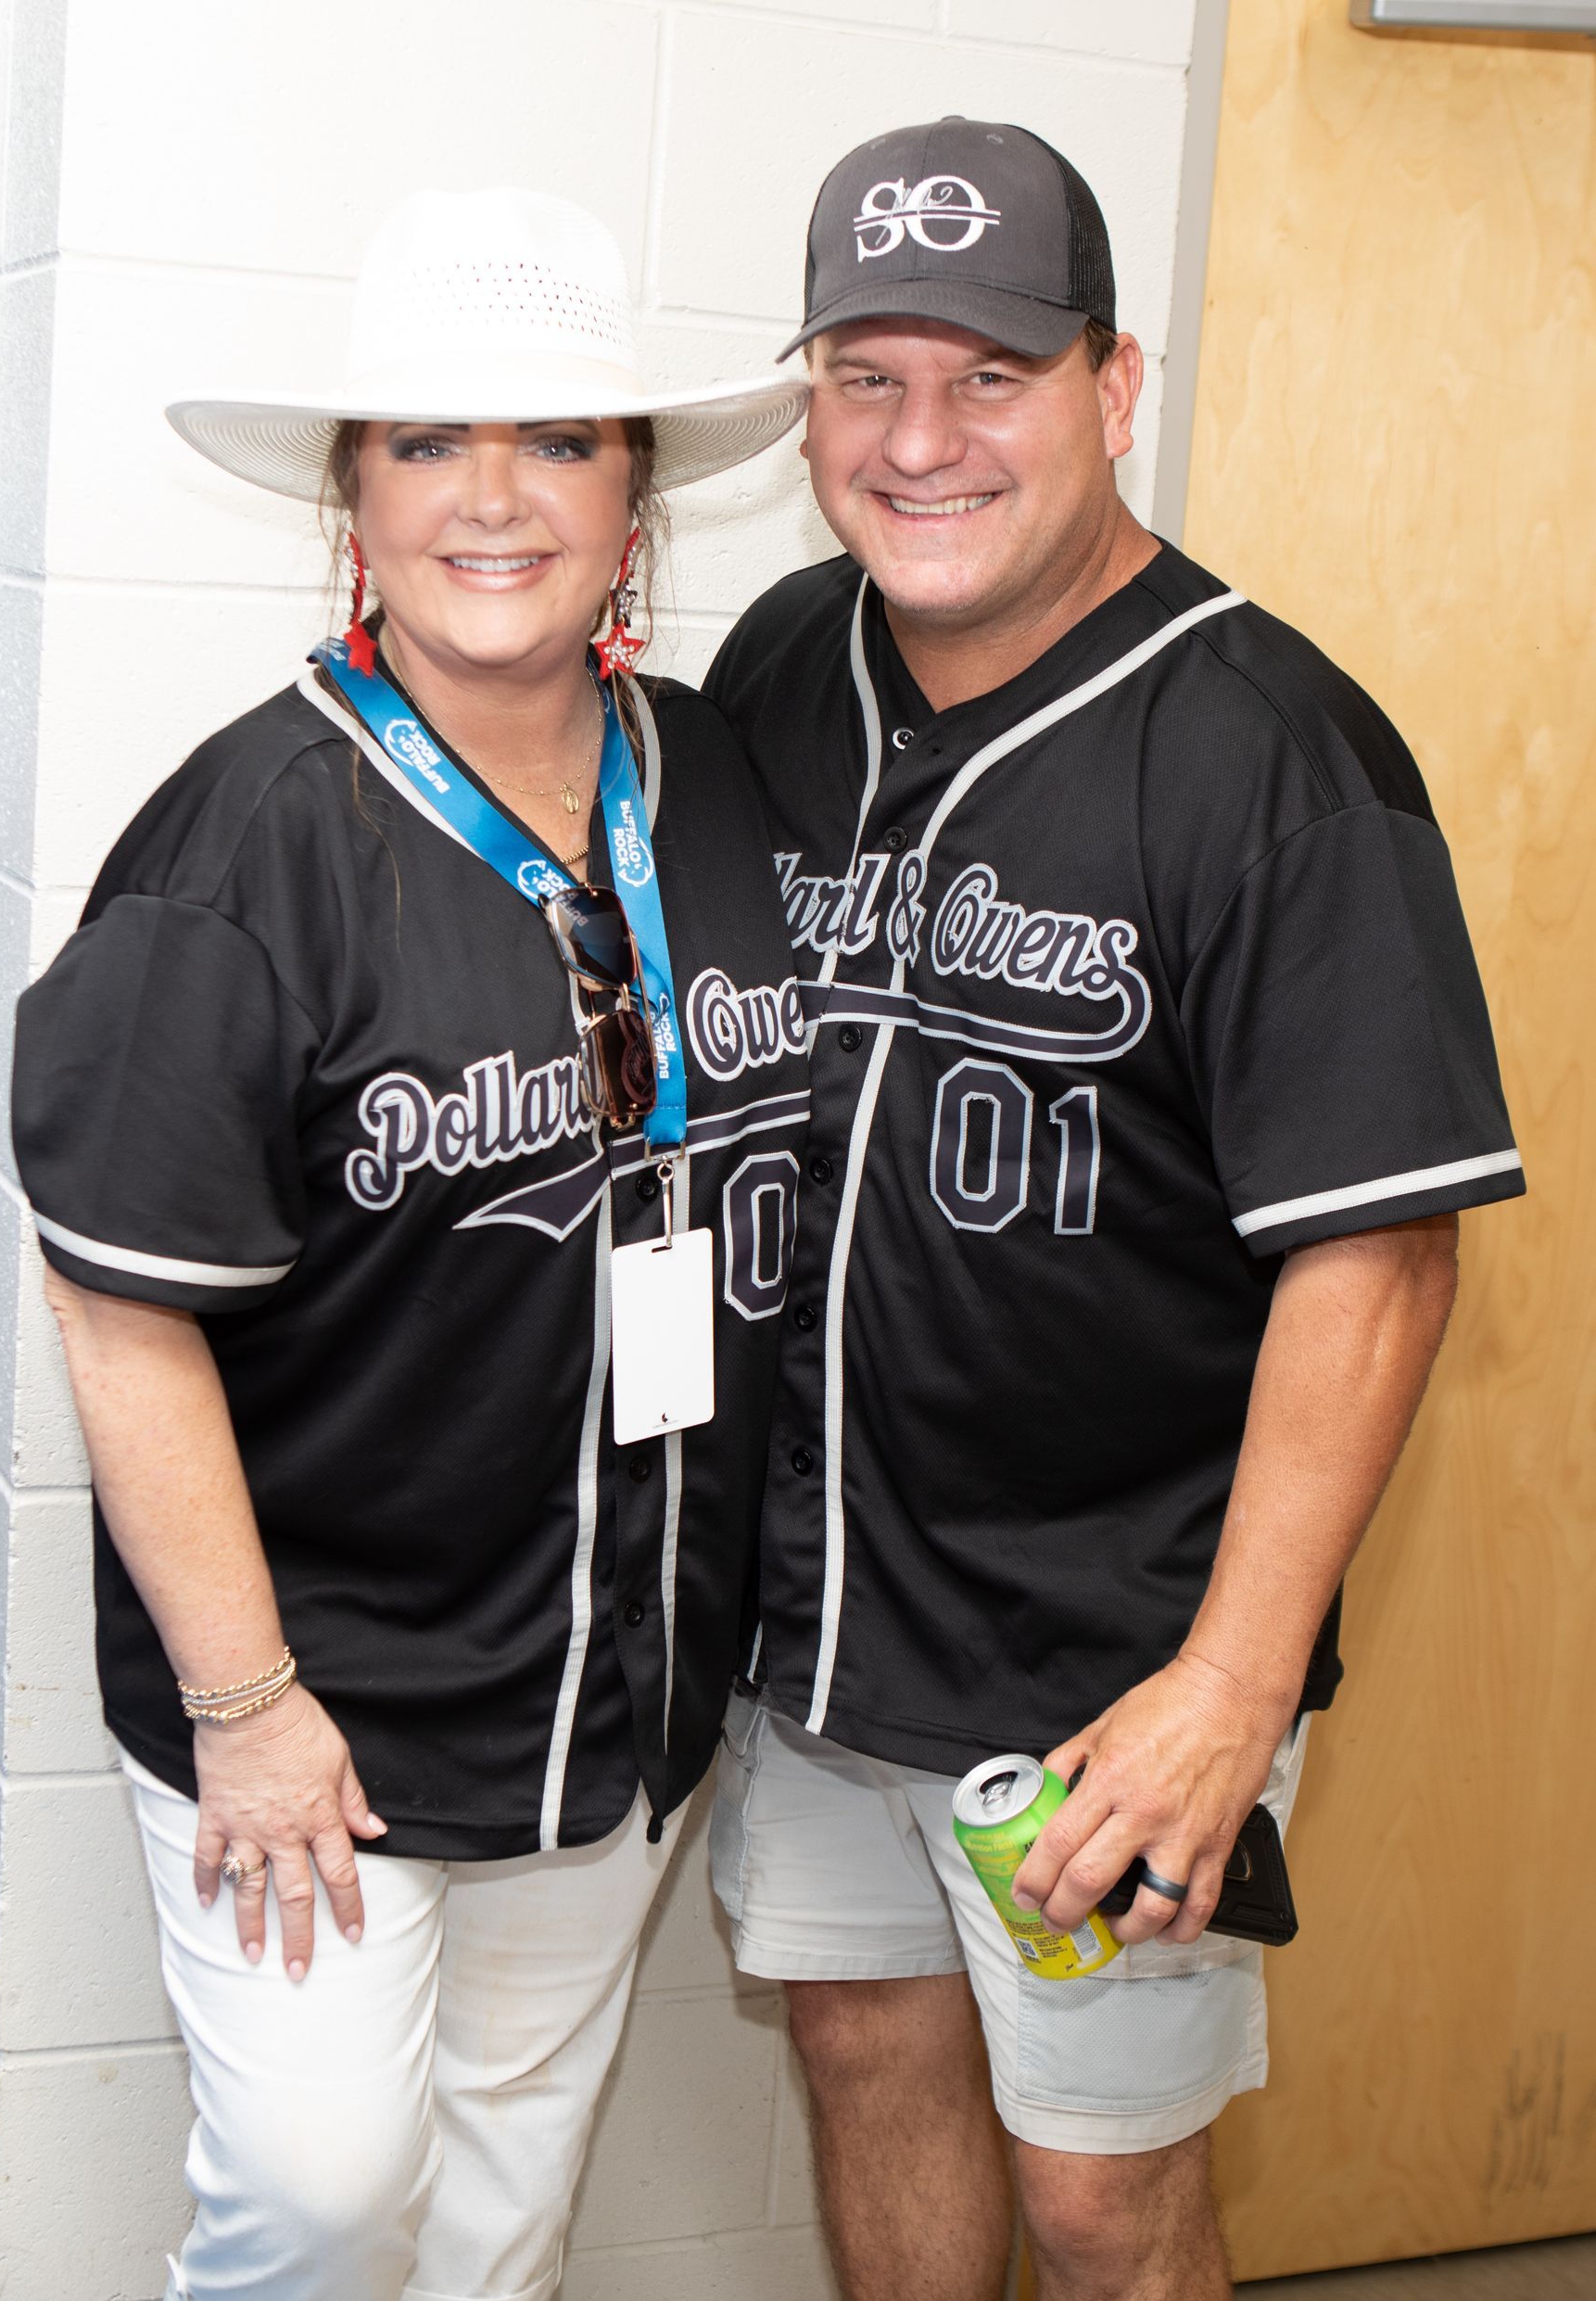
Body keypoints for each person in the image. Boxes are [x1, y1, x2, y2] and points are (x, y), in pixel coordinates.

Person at [704, 119, 1524, 2301]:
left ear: (1113, 384)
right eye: (868, 377)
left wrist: (1233, 1687)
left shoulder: (1276, 748)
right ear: (807, 409)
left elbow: (1384, 1256)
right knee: (870, 2055)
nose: (925, 439)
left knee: (1101, 2186)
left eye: (991, 375)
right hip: (814, 1615)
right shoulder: (789, 668)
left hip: (1112, 1656)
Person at [9, 187, 809, 2301]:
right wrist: (249, 1703)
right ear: (349, 491)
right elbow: (120, 1305)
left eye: (557, 442)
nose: (495, 497)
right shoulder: (241, 839)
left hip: (615, 1671)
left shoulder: (710, 776)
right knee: (317, 2196)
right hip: (325, 1698)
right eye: (429, 441)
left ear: (636, 494)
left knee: (499, 2208)